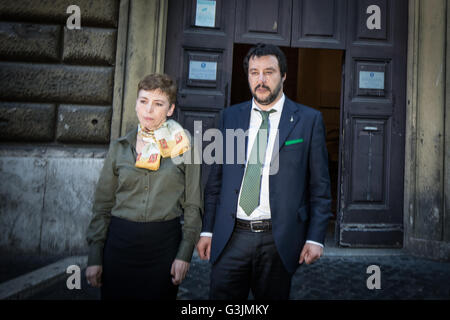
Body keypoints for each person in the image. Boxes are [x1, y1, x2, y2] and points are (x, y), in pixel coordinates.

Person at [196, 43, 332, 300]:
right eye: (254, 72)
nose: (261, 80)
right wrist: (207, 230)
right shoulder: (229, 118)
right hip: (231, 237)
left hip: (278, 240)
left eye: (268, 72)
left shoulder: (308, 120)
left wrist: (316, 237)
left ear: (283, 76)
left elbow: (320, 187)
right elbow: (215, 182)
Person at [85, 73, 202, 300]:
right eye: (143, 101)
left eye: (158, 104)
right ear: (136, 104)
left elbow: (193, 204)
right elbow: (102, 205)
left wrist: (185, 253)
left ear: (170, 109)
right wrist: (94, 255)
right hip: (119, 244)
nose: (149, 110)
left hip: (163, 247)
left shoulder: (185, 148)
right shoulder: (120, 147)